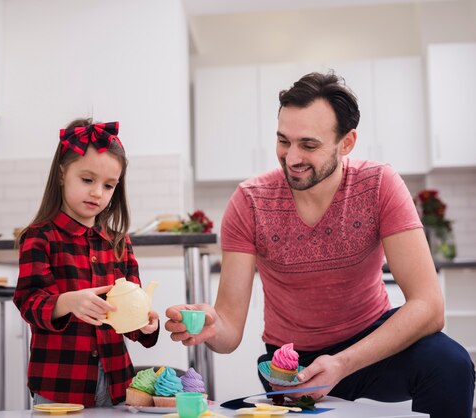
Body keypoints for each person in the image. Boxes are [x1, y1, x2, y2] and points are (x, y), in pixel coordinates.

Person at [165, 72, 475, 417]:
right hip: (291, 364)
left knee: (452, 364)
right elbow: (229, 332)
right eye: (284, 141)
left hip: (371, 347)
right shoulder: (249, 201)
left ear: (347, 143)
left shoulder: (379, 185)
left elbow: (430, 307)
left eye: (309, 145)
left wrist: (342, 363)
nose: (292, 157)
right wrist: (212, 325)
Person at [13, 118, 159, 407]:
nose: (97, 193)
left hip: (118, 380)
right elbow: (28, 302)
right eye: (87, 180)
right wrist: (67, 302)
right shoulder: (39, 237)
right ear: (61, 175)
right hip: (59, 383)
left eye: (108, 186)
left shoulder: (119, 243)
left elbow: (129, 313)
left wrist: (144, 325)